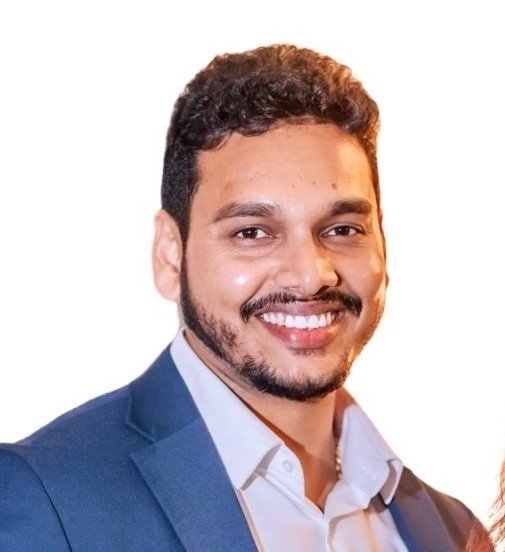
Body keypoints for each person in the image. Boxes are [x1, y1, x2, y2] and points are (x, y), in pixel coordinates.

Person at [0, 44, 489, 551]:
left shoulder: (454, 531)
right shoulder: (43, 496)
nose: (311, 275)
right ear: (170, 256)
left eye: (343, 229)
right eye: (252, 232)